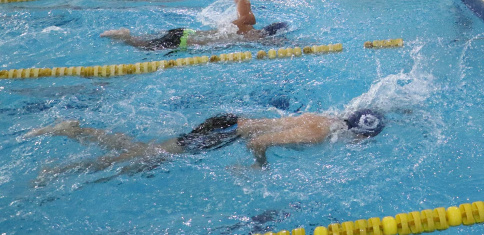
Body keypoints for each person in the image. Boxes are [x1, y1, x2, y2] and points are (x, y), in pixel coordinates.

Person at [25, 108, 385, 176]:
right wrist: (258, 168)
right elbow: (259, 143)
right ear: (358, 134)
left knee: (144, 151)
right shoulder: (318, 132)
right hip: (225, 135)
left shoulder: (328, 118)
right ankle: (61, 166)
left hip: (229, 124)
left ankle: (74, 130)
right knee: (140, 160)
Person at [100, 0, 288, 51]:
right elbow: (249, 16)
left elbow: (244, 2)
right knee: (141, 46)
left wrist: (240, 3)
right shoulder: (248, 33)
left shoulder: (245, 29)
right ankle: (125, 38)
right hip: (184, 42)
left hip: (184, 32)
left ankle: (127, 36)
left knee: (146, 40)